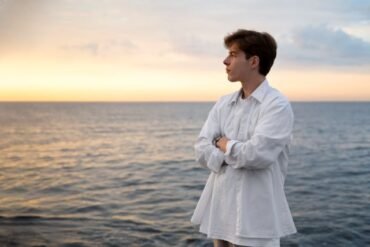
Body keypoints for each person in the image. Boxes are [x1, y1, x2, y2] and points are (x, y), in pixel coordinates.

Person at [190, 29, 297, 247]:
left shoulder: (276, 105)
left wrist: (223, 144)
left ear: (253, 61)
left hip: (255, 220)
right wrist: (234, 152)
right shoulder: (223, 103)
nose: (225, 60)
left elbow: (257, 155)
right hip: (220, 213)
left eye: (233, 54)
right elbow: (201, 149)